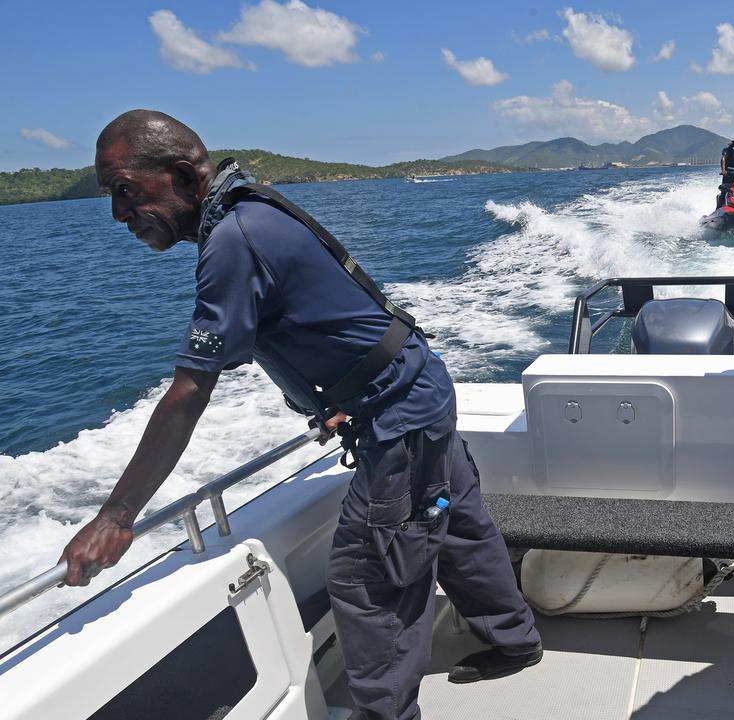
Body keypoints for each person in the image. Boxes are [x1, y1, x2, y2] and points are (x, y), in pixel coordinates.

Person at [62, 110, 542, 720]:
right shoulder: (251, 211)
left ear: (181, 174)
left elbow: (189, 391)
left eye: (125, 191)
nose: (118, 214)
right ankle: (515, 639)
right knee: (462, 524)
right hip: (417, 389)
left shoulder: (233, 241)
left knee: (369, 580)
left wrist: (117, 514)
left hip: (398, 415)